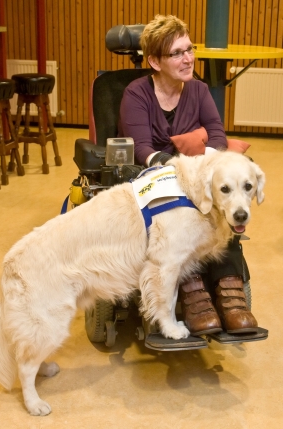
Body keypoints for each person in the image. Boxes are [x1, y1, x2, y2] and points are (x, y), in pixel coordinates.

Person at [118, 14, 258, 337]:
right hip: (156, 181)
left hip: (199, 180)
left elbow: (218, 136)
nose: (188, 58)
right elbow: (142, 148)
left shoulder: (198, 90)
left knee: (223, 209)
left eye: (190, 49)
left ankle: (229, 288)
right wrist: (180, 172)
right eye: (178, 53)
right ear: (154, 61)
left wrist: (207, 172)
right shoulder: (135, 95)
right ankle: (192, 290)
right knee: (180, 224)